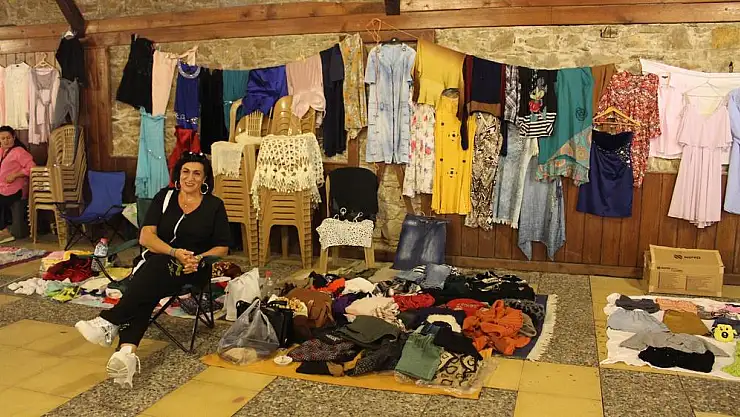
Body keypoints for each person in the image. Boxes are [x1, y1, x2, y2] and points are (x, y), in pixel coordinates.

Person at [75, 152, 231, 388]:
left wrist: (198, 258)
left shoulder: (214, 205)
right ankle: (126, 353)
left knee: (146, 280)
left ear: (205, 178)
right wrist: (174, 252)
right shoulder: (164, 197)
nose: (190, 178)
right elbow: (146, 237)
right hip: (159, 263)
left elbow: (222, 247)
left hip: (193, 268)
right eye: (185, 172)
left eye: (197, 173)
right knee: (151, 277)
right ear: (178, 175)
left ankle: (110, 321)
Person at [0, 126, 35, 244]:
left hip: (16, 189)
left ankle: (5, 231)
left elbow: (32, 167)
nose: (6, 141)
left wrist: (16, 175)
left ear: (14, 137)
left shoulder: (19, 151)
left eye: (8, 138)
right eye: (3, 138)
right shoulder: (1, 151)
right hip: (2, 188)